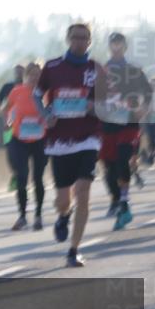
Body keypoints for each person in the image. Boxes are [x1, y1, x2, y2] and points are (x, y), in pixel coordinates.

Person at [34, 23, 106, 267]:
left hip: (88, 137)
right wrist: (45, 114)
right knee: (64, 200)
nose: (79, 41)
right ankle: (63, 216)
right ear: (67, 39)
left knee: (83, 192)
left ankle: (74, 250)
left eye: (84, 38)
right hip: (60, 140)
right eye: (75, 37)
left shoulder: (96, 69)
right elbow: (36, 95)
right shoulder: (53, 67)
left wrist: (93, 107)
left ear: (90, 41)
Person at [98, 32, 152, 230]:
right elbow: (93, 95)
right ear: (109, 46)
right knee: (110, 167)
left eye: (119, 43)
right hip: (107, 124)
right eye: (113, 43)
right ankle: (116, 199)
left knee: (122, 159)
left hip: (129, 123)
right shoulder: (102, 70)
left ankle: (124, 201)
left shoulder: (134, 70)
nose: (116, 46)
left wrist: (143, 108)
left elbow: (148, 92)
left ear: (125, 46)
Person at [5, 61, 48, 230]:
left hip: (39, 140)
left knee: (38, 178)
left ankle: (38, 215)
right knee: (21, 177)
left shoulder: (45, 93)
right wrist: (9, 121)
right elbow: (8, 109)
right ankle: (22, 216)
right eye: (32, 75)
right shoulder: (17, 91)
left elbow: (52, 111)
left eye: (38, 75)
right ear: (26, 76)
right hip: (19, 139)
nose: (35, 78)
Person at [0, 65, 26, 192]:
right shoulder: (7, 87)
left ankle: (21, 177)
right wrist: (5, 118)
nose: (19, 74)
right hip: (9, 126)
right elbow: (0, 105)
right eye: (17, 71)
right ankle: (16, 174)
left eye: (21, 71)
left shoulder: (30, 86)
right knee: (10, 153)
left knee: (22, 153)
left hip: (25, 127)